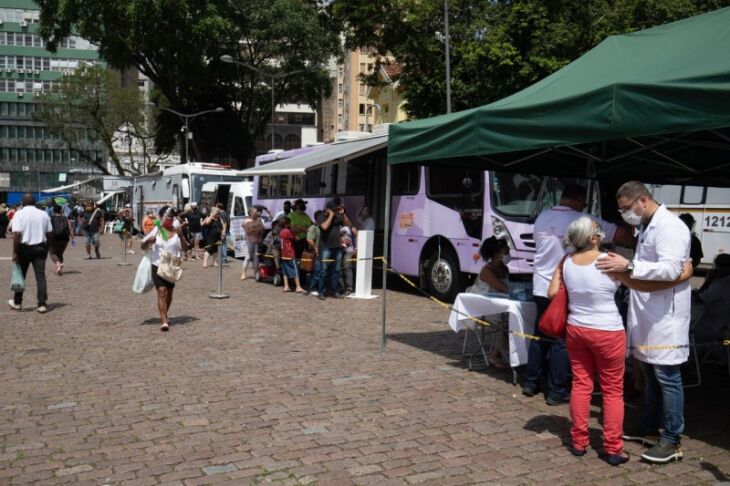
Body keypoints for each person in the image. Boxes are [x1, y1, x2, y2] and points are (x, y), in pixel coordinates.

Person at [596, 181, 691, 464]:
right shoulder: (648, 225)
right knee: (650, 375)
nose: (625, 214)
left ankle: (672, 438)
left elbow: (672, 268)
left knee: (668, 377)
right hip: (649, 313)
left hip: (666, 316)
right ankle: (650, 429)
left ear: (643, 201)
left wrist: (630, 266)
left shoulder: (671, 227)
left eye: (627, 208)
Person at [523, 183, 633, 405]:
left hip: (540, 285)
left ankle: (531, 382)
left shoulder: (542, 217)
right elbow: (621, 235)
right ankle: (556, 391)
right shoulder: (584, 221)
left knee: (540, 335)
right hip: (565, 287)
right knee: (560, 341)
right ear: (577, 199)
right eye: (583, 202)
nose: (584, 205)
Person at [466, 236, 511, 367]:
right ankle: (494, 355)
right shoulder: (487, 270)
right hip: (482, 307)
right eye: (506, 252)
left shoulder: (505, 269)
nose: (508, 255)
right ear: (497, 254)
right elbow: (503, 288)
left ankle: (509, 352)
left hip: (497, 305)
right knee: (506, 321)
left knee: (512, 318)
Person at [141, 215, 186, 331]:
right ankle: (164, 321)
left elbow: (185, 248)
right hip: (157, 265)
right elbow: (143, 246)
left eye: (171, 218)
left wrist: (181, 237)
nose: (169, 220)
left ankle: (164, 313)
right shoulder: (156, 231)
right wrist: (149, 241)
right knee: (162, 291)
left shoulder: (177, 233)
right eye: (167, 218)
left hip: (171, 267)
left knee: (169, 293)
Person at [8, 193, 52, 313]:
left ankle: (17, 302)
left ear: (23, 203)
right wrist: (46, 249)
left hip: (24, 248)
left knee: (20, 275)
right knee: (40, 277)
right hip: (40, 248)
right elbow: (49, 234)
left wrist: (15, 252)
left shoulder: (19, 214)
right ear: (34, 202)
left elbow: (16, 234)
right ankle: (42, 304)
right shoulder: (44, 214)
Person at [317, 199, 351, 300]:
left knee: (336, 271)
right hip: (326, 247)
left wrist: (343, 214)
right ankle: (321, 292)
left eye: (335, 210)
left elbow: (347, 224)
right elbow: (324, 227)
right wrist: (331, 216)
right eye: (333, 210)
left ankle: (335, 291)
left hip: (337, 247)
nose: (334, 211)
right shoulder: (321, 217)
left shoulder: (338, 216)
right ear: (327, 209)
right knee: (323, 271)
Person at [693, 253, 730, 344]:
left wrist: (708, 280)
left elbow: (700, 298)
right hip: (724, 325)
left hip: (712, 326)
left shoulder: (721, 285)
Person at [279, 217, 304, 293]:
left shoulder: (281, 231)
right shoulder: (288, 231)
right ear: (287, 224)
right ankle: (298, 286)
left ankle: (286, 286)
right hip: (290, 253)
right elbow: (297, 238)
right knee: (295, 270)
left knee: (285, 271)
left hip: (283, 253)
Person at [48, 204, 74, 275]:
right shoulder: (65, 218)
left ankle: (57, 263)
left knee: (52, 253)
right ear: (61, 210)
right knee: (60, 253)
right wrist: (72, 238)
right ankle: (59, 269)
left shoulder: (50, 218)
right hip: (65, 238)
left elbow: (47, 229)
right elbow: (70, 228)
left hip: (54, 238)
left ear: (53, 211)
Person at [241, 207, 264, 280]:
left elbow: (262, 228)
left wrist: (257, 230)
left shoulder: (259, 220)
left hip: (257, 241)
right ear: (251, 213)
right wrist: (257, 230)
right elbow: (248, 231)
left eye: (257, 212)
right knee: (248, 257)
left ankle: (255, 273)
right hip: (249, 241)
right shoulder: (246, 221)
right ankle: (243, 273)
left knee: (256, 258)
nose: (257, 213)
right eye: (255, 212)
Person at [305, 210, 325, 296]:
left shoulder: (322, 227)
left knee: (320, 271)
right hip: (317, 252)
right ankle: (312, 288)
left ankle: (318, 288)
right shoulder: (313, 227)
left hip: (323, 251)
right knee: (317, 271)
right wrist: (316, 248)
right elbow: (309, 239)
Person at [339, 224, 356, 295]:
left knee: (347, 269)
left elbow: (357, 235)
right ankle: (341, 287)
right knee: (339, 269)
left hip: (348, 250)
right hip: (339, 250)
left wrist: (357, 248)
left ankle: (349, 288)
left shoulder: (351, 226)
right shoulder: (337, 226)